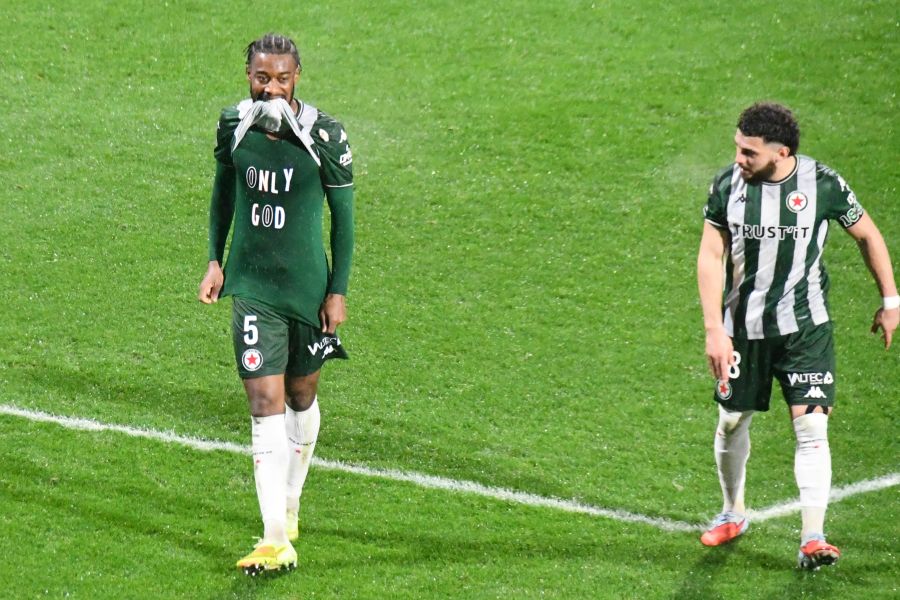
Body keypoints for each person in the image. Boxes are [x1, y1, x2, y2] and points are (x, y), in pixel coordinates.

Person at [696, 102, 898, 569]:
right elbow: (710, 254)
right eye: (737, 148)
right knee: (732, 420)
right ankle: (732, 511)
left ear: (781, 152)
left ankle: (813, 536)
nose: (739, 159)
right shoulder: (727, 185)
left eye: (749, 152)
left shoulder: (822, 184)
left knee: (811, 427)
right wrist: (714, 330)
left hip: (806, 327)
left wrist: (891, 301)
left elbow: (868, 235)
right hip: (742, 330)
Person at [198, 33, 354, 575]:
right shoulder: (234, 125)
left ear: (296, 78)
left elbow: (345, 220)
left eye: (282, 79)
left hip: (307, 291)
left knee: (300, 395)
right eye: (262, 78)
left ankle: (289, 507)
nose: (271, 88)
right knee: (263, 401)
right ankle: (273, 539)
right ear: (248, 75)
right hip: (253, 289)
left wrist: (337, 292)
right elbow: (222, 194)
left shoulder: (325, 135)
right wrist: (214, 260)